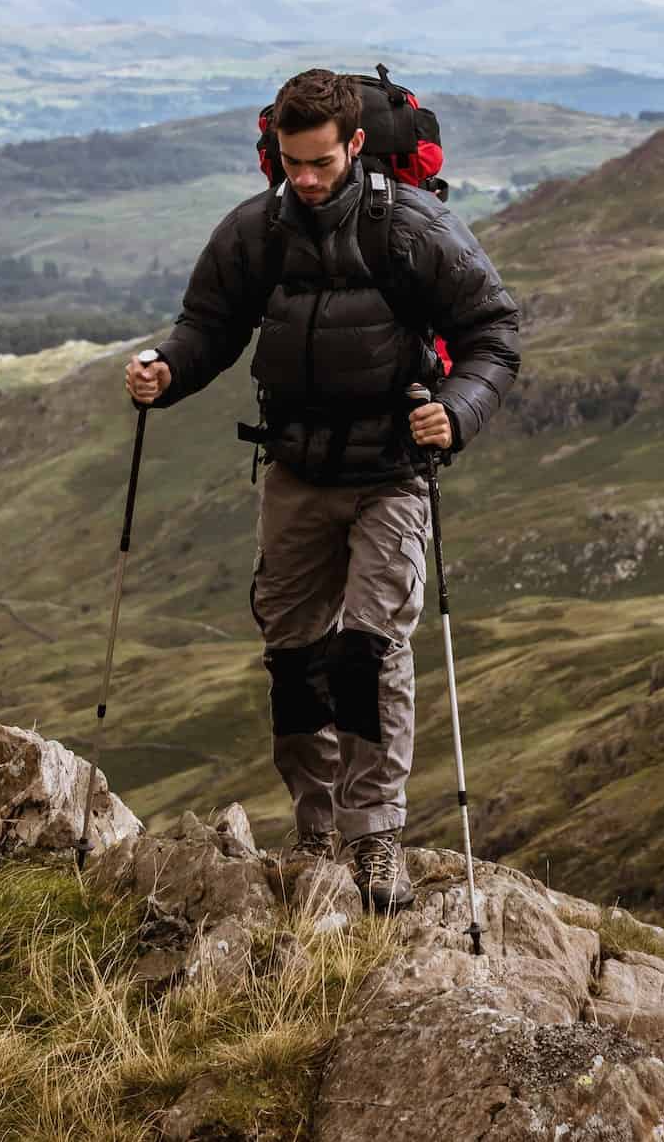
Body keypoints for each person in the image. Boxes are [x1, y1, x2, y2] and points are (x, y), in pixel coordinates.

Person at [124, 68, 520, 911]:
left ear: (354, 147)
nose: (303, 180)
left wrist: (457, 410)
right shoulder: (256, 231)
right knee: (296, 657)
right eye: (289, 162)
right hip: (297, 471)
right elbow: (210, 329)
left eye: (319, 164)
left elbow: (493, 331)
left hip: (390, 475)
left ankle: (375, 839)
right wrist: (166, 368)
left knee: (369, 652)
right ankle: (315, 830)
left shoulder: (412, 228)